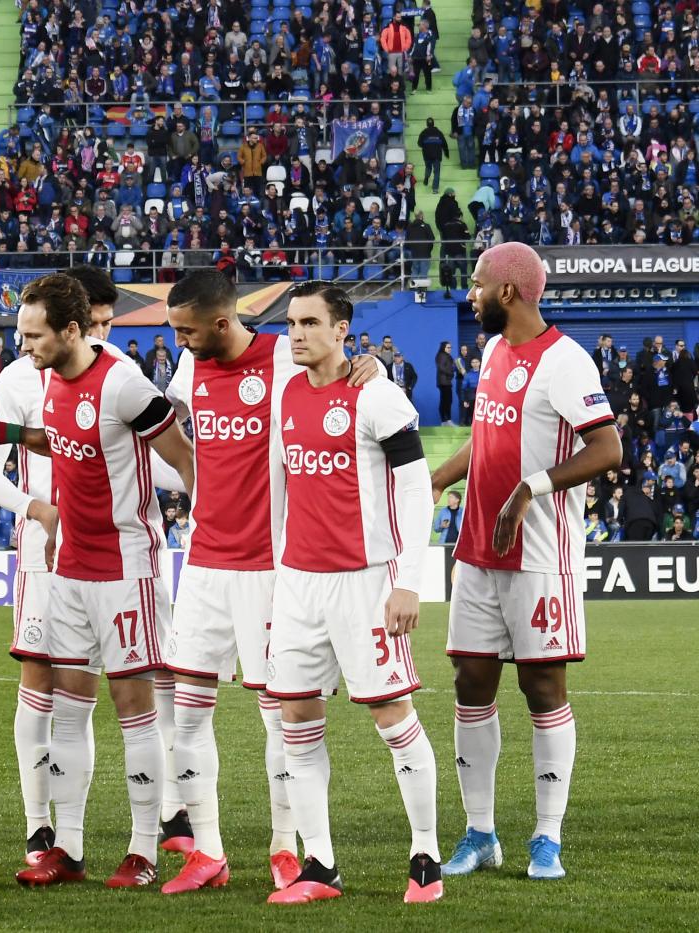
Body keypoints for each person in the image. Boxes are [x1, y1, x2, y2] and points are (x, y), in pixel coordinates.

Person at [160, 270, 380, 894]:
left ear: (221, 322)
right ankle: (207, 852)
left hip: (270, 567)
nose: (180, 343)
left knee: (280, 719)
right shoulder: (189, 368)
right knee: (187, 712)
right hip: (204, 563)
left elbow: (341, 379)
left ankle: (286, 847)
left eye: (187, 331)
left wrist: (371, 369)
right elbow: (174, 433)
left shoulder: (285, 356)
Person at [429, 243, 621, 882]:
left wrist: (529, 489)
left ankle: (547, 836)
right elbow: (488, 439)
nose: (471, 293)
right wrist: (440, 478)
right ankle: (480, 833)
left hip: (540, 556)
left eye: (478, 283)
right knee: (470, 683)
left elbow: (608, 448)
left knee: (542, 689)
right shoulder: (491, 350)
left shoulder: (566, 361)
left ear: (508, 292)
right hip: (477, 551)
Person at [11, 273, 196, 890]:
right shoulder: (48, 383)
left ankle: (144, 850)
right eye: (21, 334)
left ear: (71, 330)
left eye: (34, 335)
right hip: (69, 570)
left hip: (126, 570)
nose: (24, 346)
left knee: (134, 709)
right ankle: (67, 847)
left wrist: (211, 526)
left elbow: (183, 458)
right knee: (68, 711)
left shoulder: (123, 383)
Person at [0, 264, 159, 867]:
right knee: (42, 689)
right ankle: (40, 828)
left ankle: (164, 823)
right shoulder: (19, 378)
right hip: (44, 556)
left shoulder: (119, 374)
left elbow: (156, 454)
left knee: (140, 692)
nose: (102, 334)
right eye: (96, 322)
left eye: (108, 324)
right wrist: (39, 509)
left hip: (115, 554)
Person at [264, 281, 439, 905]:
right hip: (298, 584)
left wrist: (409, 581)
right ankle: (320, 865)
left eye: (311, 323)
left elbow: (416, 490)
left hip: (366, 582)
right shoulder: (286, 389)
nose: (297, 333)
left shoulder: (377, 395)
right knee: (295, 719)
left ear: (342, 330)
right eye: (291, 323)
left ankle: (426, 856)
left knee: (392, 716)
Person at [435, 341, 456, 424]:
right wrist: (451, 373)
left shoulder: (447, 356)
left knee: (448, 400)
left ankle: (446, 420)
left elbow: (448, 367)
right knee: (445, 401)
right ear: (443, 348)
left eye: (450, 347)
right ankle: (445, 420)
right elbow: (441, 368)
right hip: (443, 382)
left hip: (446, 382)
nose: (450, 349)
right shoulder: (442, 356)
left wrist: (454, 369)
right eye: (448, 347)